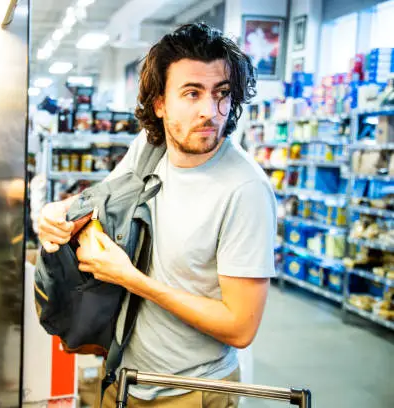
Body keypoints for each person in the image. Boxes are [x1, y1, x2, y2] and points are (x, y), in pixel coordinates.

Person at [37, 23, 276, 408]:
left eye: (221, 94)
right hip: (125, 376)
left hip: (191, 393)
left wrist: (131, 278)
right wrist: (59, 211)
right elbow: (104, 200)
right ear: (160, 103)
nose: (210, 112)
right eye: (191, 93)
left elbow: (240, 326)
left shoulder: (245, 191)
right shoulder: (150, 148)